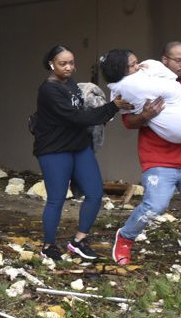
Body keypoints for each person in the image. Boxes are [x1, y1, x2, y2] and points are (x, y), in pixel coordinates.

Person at [111, 41, 181, 284]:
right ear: (165, 61)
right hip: (159, 160)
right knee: (155, 206)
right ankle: (125, 238)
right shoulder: (144, 85)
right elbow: (128, 122)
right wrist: (145, 116)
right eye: (178, 60)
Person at [31, 44, 133, 262]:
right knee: (56, 200)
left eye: (71, 63)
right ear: (51, 64)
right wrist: (112, 107)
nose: (69, 67)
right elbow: (77, 117)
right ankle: (48, 245)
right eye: (63, 63)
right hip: (54, 149)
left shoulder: (70, 84)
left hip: (78, 147)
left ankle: (78, 241)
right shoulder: (49, 90)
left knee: (95, 194)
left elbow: (84, 112)